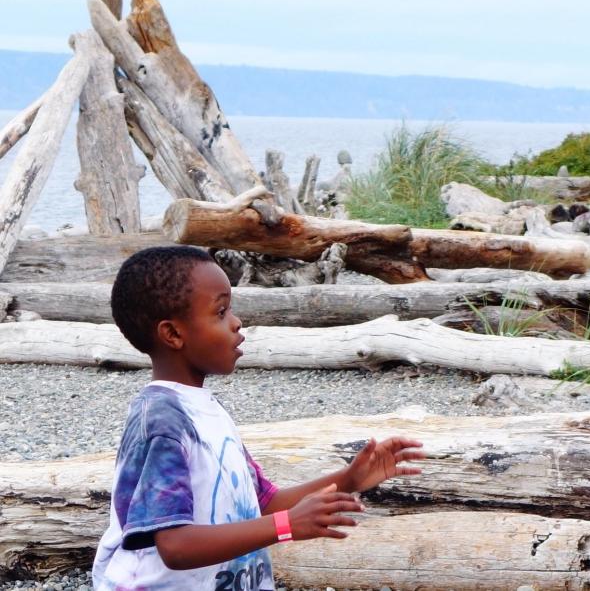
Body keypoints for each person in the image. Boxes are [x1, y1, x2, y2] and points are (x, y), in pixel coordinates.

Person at [92, 246, 426, 590]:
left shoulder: (206, 410)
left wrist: (348, 479)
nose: (236, 322)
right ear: (173, 334)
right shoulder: (161, 420)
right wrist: (285, 526)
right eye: (220, 312)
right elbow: (175, 547)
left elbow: (262, 504)